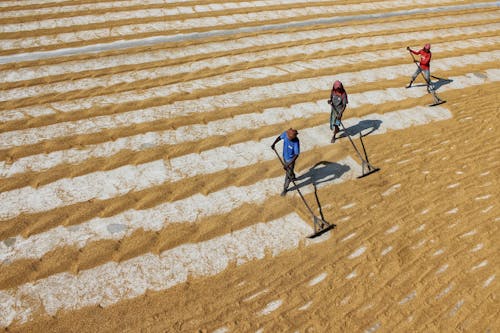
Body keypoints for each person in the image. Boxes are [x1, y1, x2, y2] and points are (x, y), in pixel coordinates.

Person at [271, 128, 300, 196]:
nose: (289, 138)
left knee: (288, 175)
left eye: (290, 138)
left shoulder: (296, 142)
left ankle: (285, 188)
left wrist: (288, 164)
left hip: (290, 161)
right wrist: (274, 144)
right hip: (284, 157)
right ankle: (293, 176)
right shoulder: (286, 134)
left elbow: (296, 155)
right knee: (289, 171)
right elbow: (279, 138)